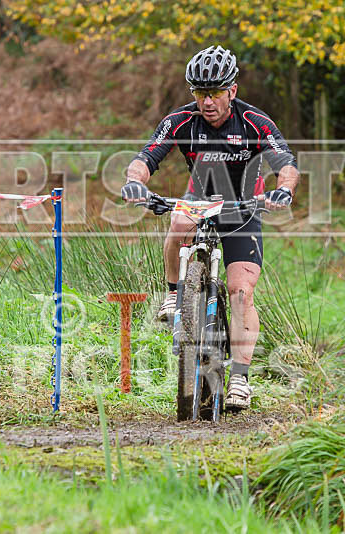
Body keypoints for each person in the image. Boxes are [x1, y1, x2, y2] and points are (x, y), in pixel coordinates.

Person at [121, 45, 300, 410]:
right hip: (201, 200)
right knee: (178, 220)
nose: (207, 101)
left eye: (215, 92)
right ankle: (173, 293)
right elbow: (145, 158)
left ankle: (239, 379)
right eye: (200, 93)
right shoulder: (181, 120)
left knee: (240, 292)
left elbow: (286, 162)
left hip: (243, 207)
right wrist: (136, 183)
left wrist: (284, 190)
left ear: (232, 91)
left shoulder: (255, 122)